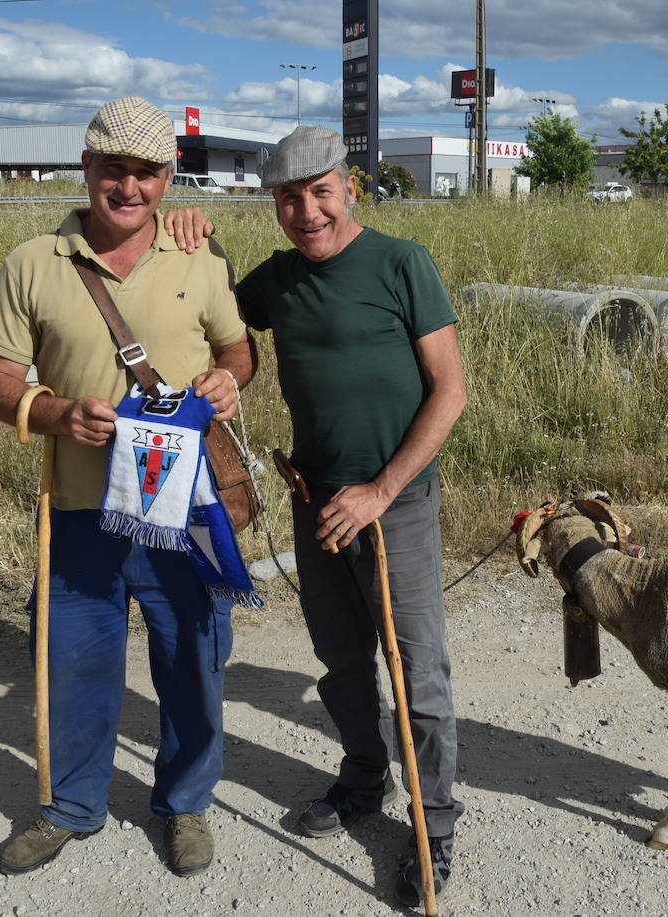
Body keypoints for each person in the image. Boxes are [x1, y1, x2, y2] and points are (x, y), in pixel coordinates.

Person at [176, 125, 466, 906]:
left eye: (320, 192)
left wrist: (380, 488)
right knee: (342, 662)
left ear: (349, 187)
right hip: (315, 502)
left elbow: (450, 391)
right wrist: (196, 240)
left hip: (393, 503)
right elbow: (209, 322)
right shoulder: (275, 280)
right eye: (288, 198)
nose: (307, 212)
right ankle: (364, 780)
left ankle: (434, 819)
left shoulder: (403, 263)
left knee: (416, 673)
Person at [0, 97, 253, 878]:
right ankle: (71, 805)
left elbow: (240, 351)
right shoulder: (33, 261)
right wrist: (56, 412)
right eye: (113, 169)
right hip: (78, 512)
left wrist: (228, 382)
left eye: (146, 172)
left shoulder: (201, 257)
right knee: (71, 661)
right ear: (86, 167)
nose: (128, 187)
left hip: (181, 512)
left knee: (194, 659)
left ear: (167, 177)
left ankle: (186, 803)